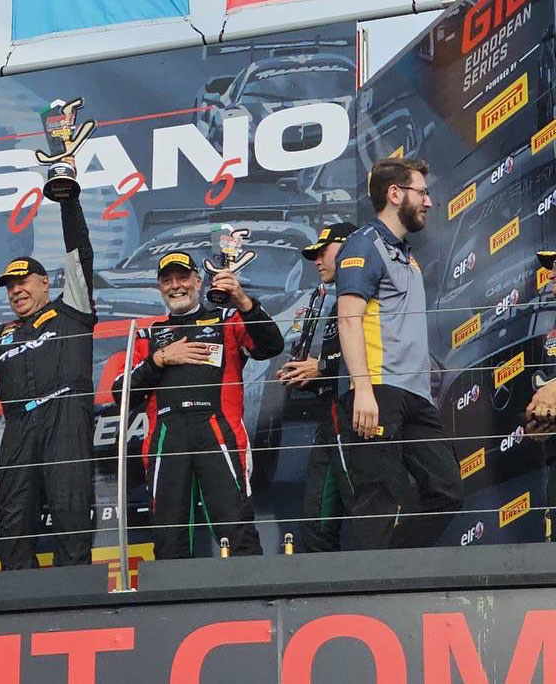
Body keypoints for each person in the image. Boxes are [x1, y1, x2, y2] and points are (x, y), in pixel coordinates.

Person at [0, 193, 96, 570]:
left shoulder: (72, 309)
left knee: (70, 511)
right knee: (12, 517)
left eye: (23, 282)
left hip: (65, 417)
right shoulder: (1, 334)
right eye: (10, 286)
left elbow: (79, 254)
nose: (16, 290)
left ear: (45, 283)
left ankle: (77, 592)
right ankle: (20, 593)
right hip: (18, 427)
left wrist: (68, 201)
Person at [113, 251, 284, 559]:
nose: (176, 286)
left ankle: (249, 588)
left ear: (197, 281)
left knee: (236, 527)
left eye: (183, 278)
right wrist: (161, 359)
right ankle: (172, 591)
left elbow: (271, 346)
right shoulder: (148, 335)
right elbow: (120, 394)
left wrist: (243, 300)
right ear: (160, 287)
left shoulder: (226, 320)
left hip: (218, 429)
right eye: (167, 280)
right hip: (166, 437)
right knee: (168, 536)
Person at [335, 157, 463, 549]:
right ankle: (368, 583)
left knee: (447, 490)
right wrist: (363, 389)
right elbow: (348, 320)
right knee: (378, 501)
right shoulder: (364, 245)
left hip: (416, 396)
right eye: (422, 192)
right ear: (395, 193)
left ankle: (397, 567)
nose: (429, 202)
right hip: (378, 390)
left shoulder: (406, 254)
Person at [278, 223, 356, 552]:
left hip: (359, 418)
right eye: (314, 255)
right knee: (316, 523)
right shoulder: (336, 302)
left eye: (323, 252)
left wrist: (321, 367)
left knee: (369, 507)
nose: (317, 261)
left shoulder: (373, 294)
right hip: (331, 417)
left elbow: (376, 353)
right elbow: (338, 361)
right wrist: (305, 374)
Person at [525, 250, 556, 540]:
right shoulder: (552, 331)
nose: (552, 274)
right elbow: (544, 389)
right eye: (551, 267)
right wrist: (540, 420)